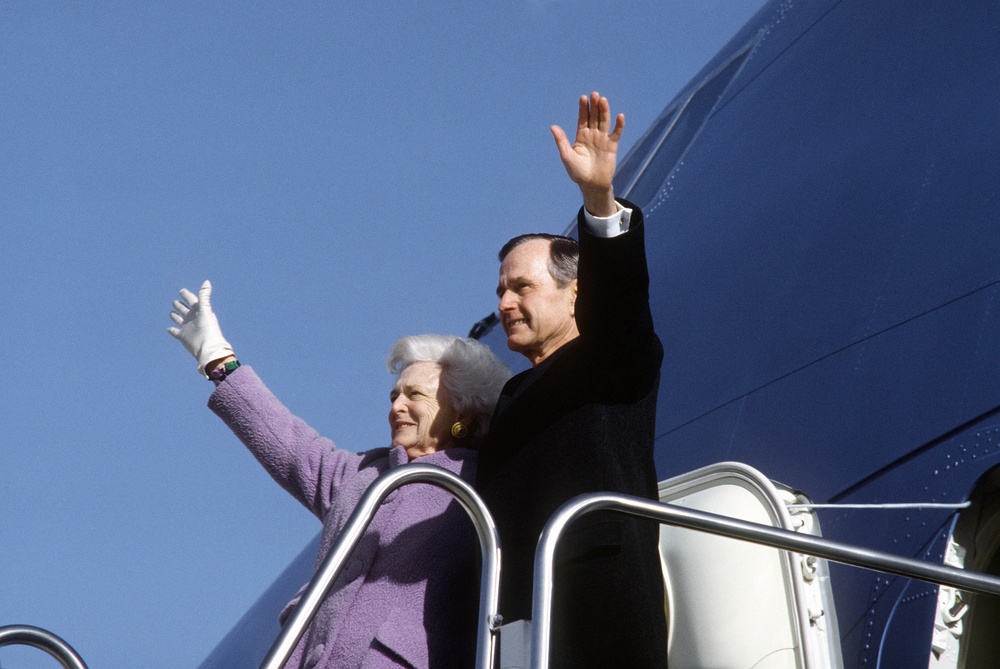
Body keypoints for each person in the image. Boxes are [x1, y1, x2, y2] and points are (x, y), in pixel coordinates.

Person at [168, 283, 511, 669]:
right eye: (393, 396)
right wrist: (216, 357)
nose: (397, 406)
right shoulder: (362, 475)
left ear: (463, 410)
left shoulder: (487, 482)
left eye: (414, 395)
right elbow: (285, 439)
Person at [475, 92, 668, 667]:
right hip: (514, 620)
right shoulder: (511, 394)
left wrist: (597, 199)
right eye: (501, 292)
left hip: (596, 607)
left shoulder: (611, 358)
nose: (506, 303)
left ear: (575, 293)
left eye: (523, 288)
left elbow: (621, 304)